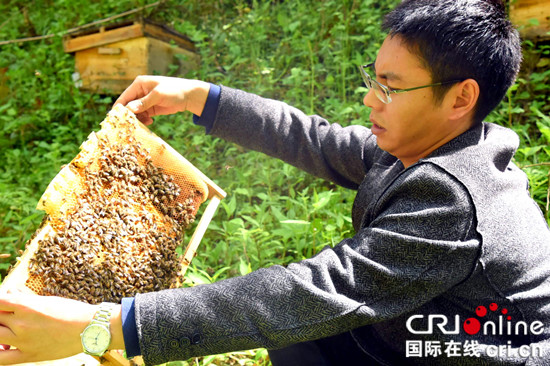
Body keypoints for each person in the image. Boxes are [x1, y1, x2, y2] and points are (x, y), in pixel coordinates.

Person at [1, 0, 549, 365]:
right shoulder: (430, 144)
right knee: (296, 346)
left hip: (471, 348)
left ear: (461, 97)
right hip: (407, 322)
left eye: (390, 87)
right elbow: (313, 138)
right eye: (372, 80)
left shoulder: (452, 200)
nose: (368, 100)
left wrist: (103, 326)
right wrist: (200, 96)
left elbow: (314, 291)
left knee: (296, 321)